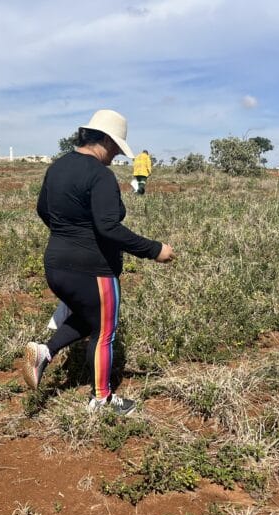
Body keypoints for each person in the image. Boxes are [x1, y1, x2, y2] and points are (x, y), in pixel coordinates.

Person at [22, 110, 175, 416]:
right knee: (105, 331)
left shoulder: (57, 167)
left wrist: (68, 236)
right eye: (116, 147)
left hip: (56, 265)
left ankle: (45, 351)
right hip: (93, 269)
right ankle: (102, 400)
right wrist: (154, 249)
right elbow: (109, 228)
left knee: (89, 315)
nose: (117, 154)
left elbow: (43, 209)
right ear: (104, 139)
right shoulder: (100, 175)